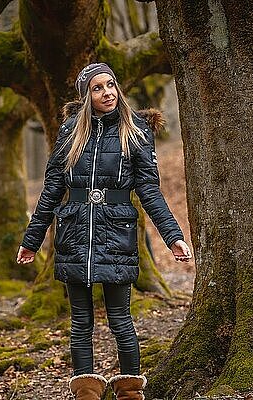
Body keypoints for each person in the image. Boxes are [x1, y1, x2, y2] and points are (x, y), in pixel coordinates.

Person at [16, 63, 191, 400]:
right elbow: (52, 190)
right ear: (86, 96)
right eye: (97, 88)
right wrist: (31, 241)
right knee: (80, 323)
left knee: (121, 319)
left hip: (117, 233)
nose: (107, 92)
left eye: (110, 85)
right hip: (74, 232)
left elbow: (150, 190)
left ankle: (129, 391)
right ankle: (86, 392)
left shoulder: (136, 129)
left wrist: (173, 237)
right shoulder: (70, 132)